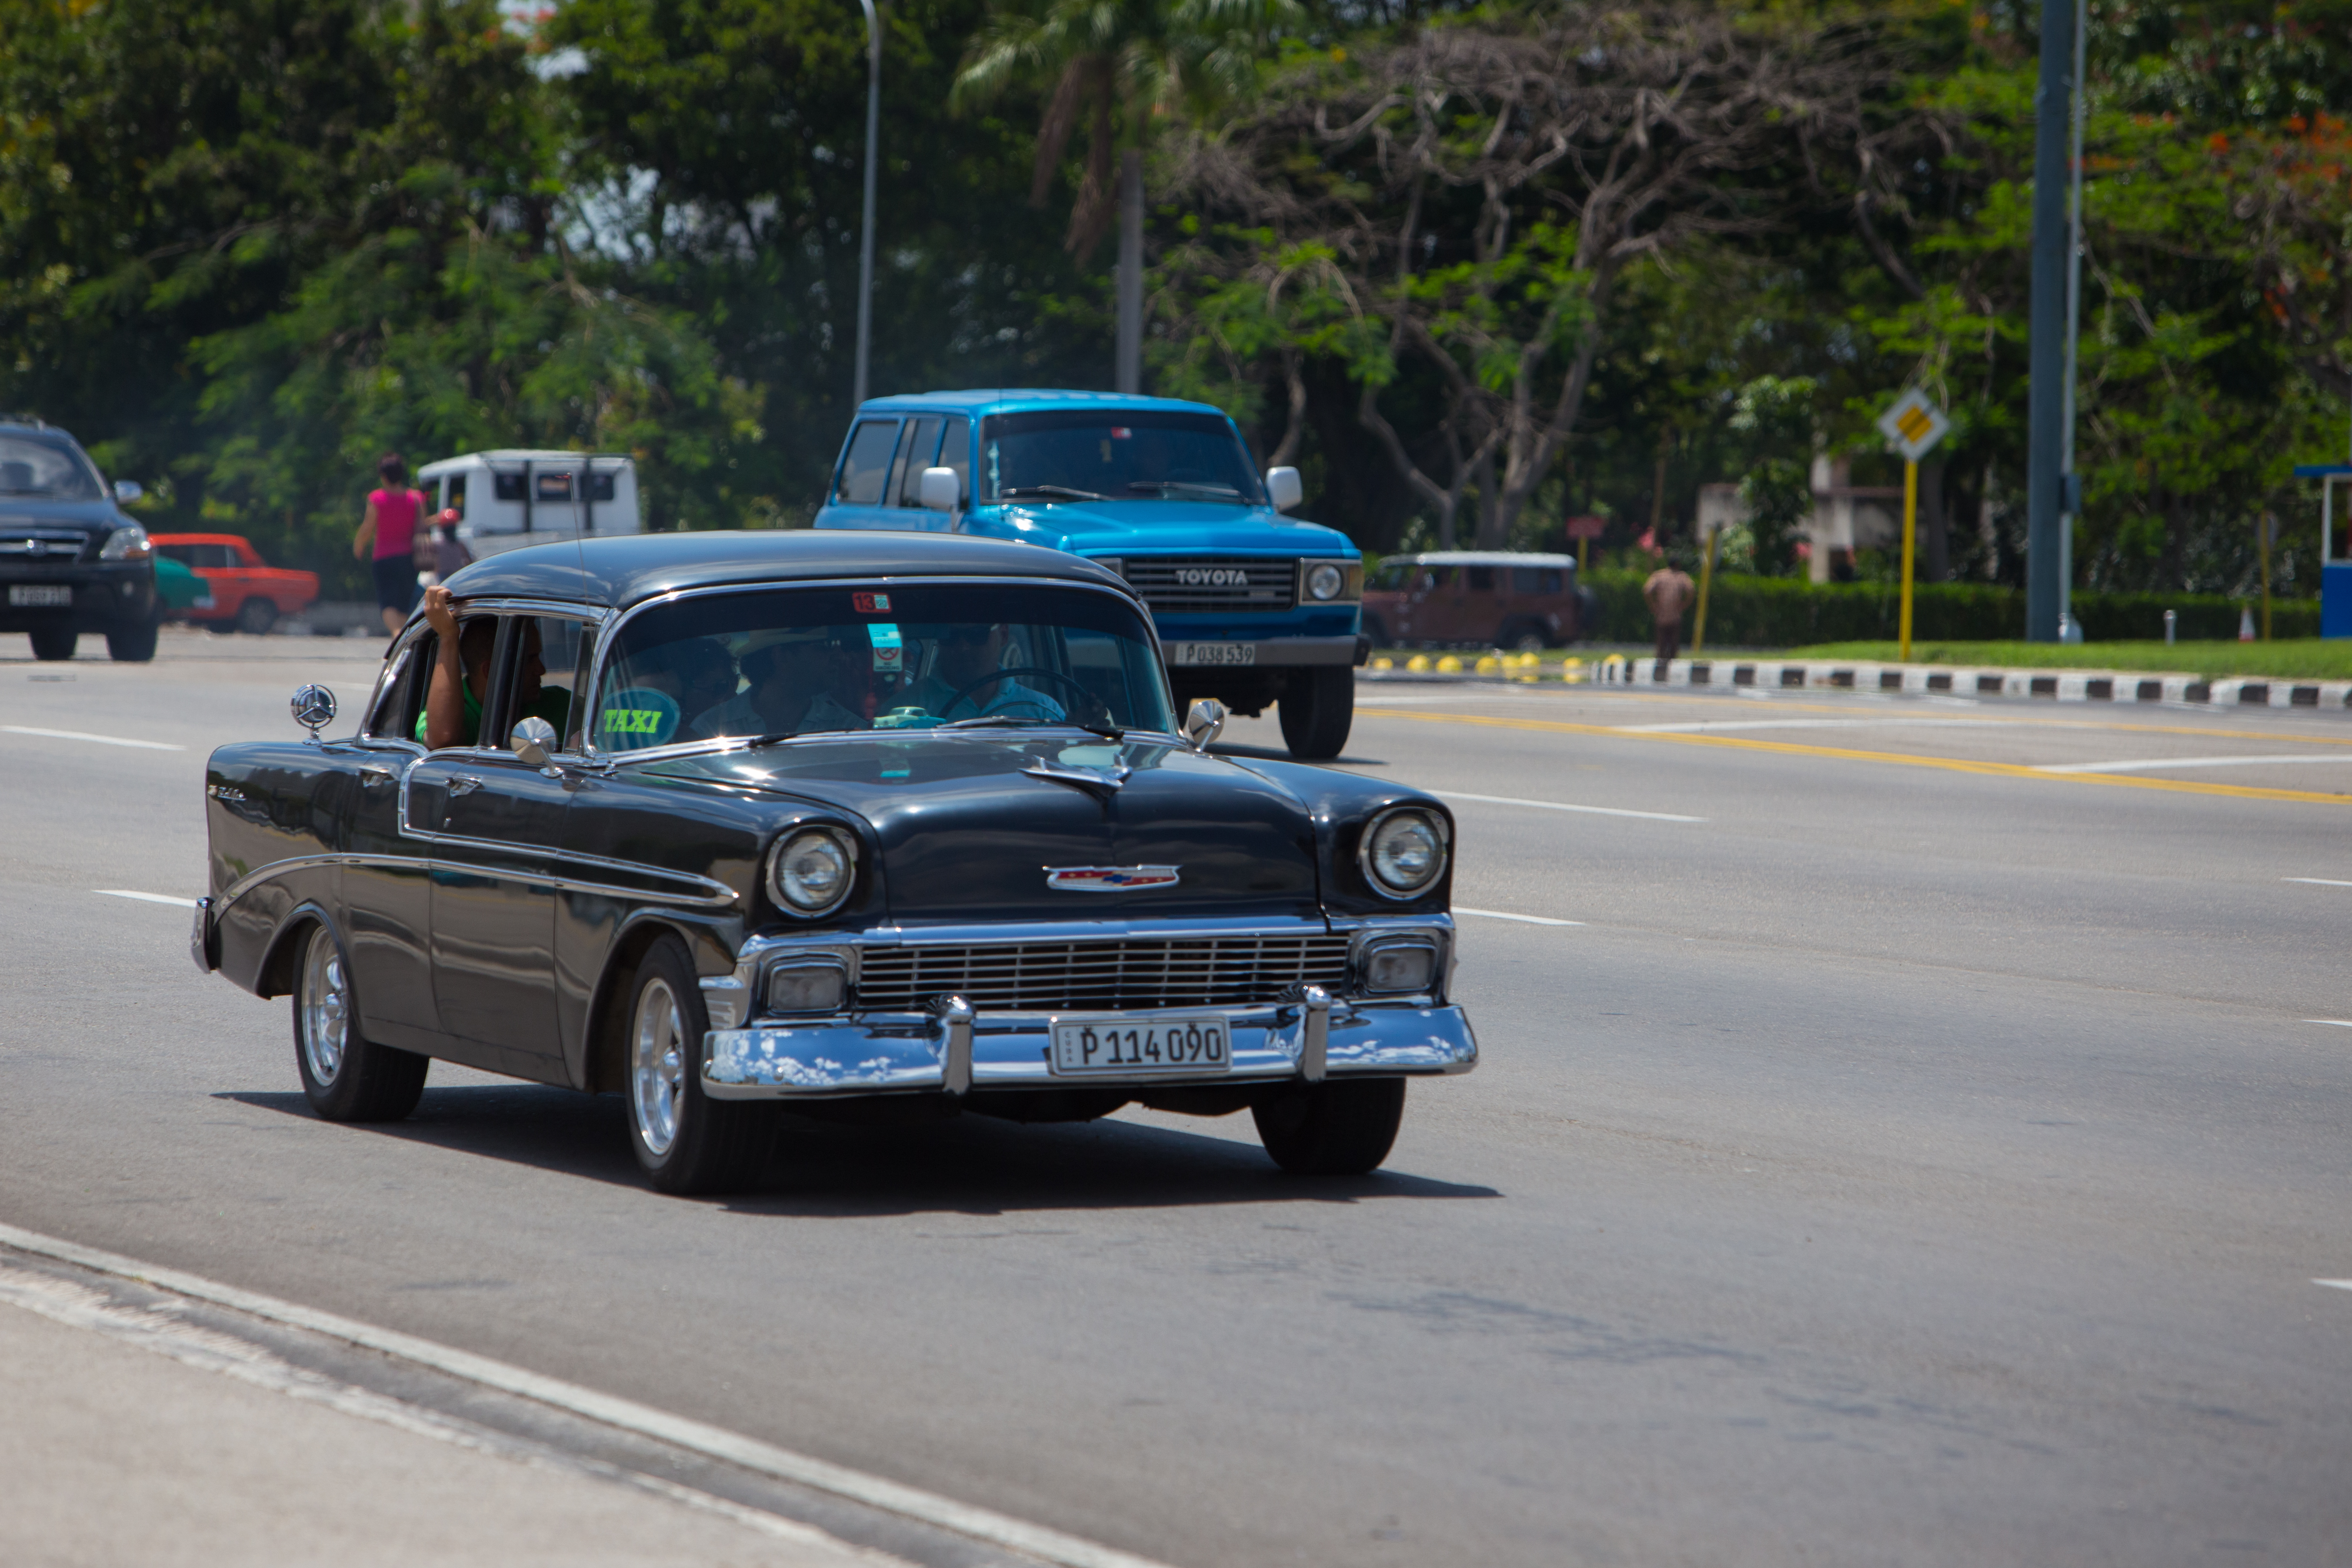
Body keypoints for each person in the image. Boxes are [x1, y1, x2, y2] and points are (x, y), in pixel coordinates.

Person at [417, 585, 570, 749]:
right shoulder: (454, 713)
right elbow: (443, 738)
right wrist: (448, 637)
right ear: (490, 671)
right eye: (529, 660)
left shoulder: (560, 703)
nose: (542, 670)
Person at [687, 628, 870, 741]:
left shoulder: (850, 728)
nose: (837, 657)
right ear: (781, 656)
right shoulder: (710, 729)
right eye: (822, 647)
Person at [902, 623, 1065, 723]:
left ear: (1003, 635)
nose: (963, 646)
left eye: (977, 635)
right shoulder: (907, 708)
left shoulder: (1044, 712)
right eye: (950, 636)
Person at [352, 453, 427, 638]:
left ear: (383, 476)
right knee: (403, 604)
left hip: (384, 557)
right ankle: (402, 639)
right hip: (409, 558)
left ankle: (396, 635)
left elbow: (368, 526)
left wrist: (359, 545)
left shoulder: (377, 498)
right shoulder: (416, 498)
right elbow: (423, 525)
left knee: (387, 603)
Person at [1643, 555, 1696, 678]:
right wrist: (1684, 605)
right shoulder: (1681, 576)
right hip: (1675, 615)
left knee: (1661, 644)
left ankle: (1659, 673)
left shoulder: (1659, 576)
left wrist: (1653, 605)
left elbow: (1647, 590)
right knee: (1673, 645)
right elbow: (1691, 590)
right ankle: (1672, 674)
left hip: (1661, 615)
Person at [419, 508, 472, 588]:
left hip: (447, 577)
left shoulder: (437, 544)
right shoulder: (459, 545)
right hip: (454, 576)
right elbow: (470, 562)